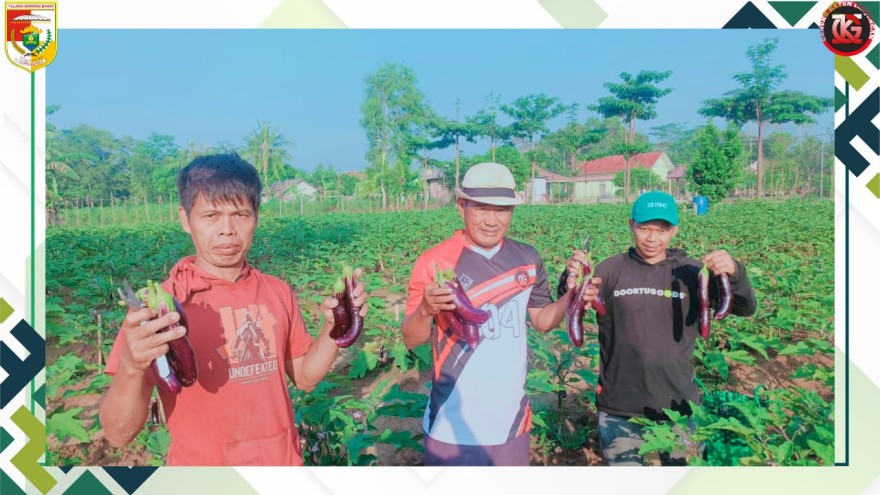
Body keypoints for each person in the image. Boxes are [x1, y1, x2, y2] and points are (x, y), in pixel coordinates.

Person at [99, 154, 368, 466]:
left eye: (240, 215)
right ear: (185, 219)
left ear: (256, 217)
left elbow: (306, 377)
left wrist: (336, 325)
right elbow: (117, 435)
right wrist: (132, 366)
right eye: (211, 216)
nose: (227, 230)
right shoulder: (158, 311)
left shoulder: (276, 291)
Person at [401, 162, 583, 466]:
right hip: (452, 425)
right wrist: (425, 309)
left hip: (511, 423)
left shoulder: (527, 258)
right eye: (481, 208)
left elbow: (542, 320)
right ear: (462, 206)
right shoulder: (434, 262)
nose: (491, 220)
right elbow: (411, 338)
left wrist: (572, 295)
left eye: (501, 210)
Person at [560, 190, 757, 466]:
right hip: (619, 405)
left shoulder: (692, 272)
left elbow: (744, 308)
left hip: (680, 406)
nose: (652, 238)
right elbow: (568, 302)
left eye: (661, 230)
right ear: (631, 225)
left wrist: (735, 272)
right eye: (644, 229)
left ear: (674, 230)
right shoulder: (610, 269)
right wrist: (570, 277)